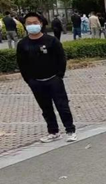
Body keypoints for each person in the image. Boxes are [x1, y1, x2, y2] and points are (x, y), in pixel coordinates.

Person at [16, 12, 77, 143]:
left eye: (35, 23)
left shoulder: (51, 41)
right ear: (25, 25)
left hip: (54, 80)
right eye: (29, 23)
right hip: (36, 82)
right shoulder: (22, 44)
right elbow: (22, 64)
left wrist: (59, 75)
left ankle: (70, 130)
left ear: (41, 23)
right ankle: (53, 131)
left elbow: (61, 58)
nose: (32, 25)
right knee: (46, 108)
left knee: (62, 106)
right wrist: (29, 80)